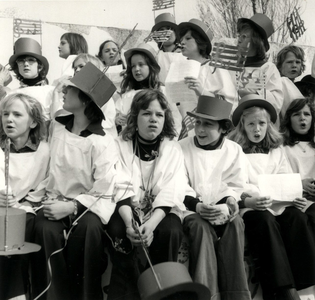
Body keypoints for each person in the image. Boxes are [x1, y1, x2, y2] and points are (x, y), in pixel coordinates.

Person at [28, 62, 118, 300]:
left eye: (71, 89)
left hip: (86, 206)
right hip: (53, 199)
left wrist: (73, 206)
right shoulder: (57, 127)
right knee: (44, 227)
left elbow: (105, 189)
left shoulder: (103, 141)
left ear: (86, 100)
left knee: (89, 229)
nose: (64, 92)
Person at [229, 94, 315, 300]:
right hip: (252, 204)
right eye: (251, 124)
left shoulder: (276, 149)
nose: (257, 129)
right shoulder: (234, 150)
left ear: (269, 125)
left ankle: (308, 283)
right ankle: (283, 288)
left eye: (262, 123)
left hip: (278, 202)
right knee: (264, 221)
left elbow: (285, 175)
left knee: (296, 217)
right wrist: (256, 196)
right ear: (243, 125)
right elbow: (237, 182)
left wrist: (294, 195)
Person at [106, 89, 186, 300]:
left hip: (162, 210)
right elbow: (119, 185)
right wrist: (129, 224)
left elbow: (172, 190)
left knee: (170, 230)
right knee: (119, 230)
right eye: (146, 113)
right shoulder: (120, 145)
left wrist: (150, 226)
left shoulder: (172, 148)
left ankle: (162, 292)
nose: (153, 119)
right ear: (135, 116)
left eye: (159, 115)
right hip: (127, 208)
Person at [179, 95, 251, 300]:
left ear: (223, 128)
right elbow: (178, 184)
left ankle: (236, 294)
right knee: (200, 227)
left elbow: (235, 184)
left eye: (208, 125)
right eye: (198, 123)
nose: (200, 130)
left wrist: (229, 201)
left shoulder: (233, 150)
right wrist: (198, 205)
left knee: (235, 224)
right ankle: (207, 294)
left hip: (220, 207)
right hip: (191, 208)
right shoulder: (182, 147)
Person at [0, 93, 49, 300]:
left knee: (18, 229)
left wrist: (24, 203)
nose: (9, 119)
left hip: (27, 207)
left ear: (33, 122)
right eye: (5, 114)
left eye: (17, 115)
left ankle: (17, 293)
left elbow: (44, 184)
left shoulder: (44, 151)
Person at [174, 18, 237, 138]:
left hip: (211, 132)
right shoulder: (179, 69)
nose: (182, 42)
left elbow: (230, 105)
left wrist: (203, 92)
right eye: (181, 39)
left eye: (188, 38)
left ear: (200, 42)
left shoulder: (215, 69)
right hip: (184, 133)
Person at [115, 43, 181, 135]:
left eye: (141, 64)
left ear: (151, 67)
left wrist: (168, 143)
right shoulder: (126, 96)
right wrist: (117, 118)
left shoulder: (164, 92)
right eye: (133, 66)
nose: (136, 69)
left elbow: (175, 122)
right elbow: (114, 117)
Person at [235, 14, 283, 125]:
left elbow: (276, 101)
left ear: (256, 41)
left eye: (244, 37)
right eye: (239, 36)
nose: (239, 40)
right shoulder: (232, 68)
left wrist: (252, 94)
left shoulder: (268, 68)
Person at [280, 97, 315, 230]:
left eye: (307, 114)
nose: (302, 118)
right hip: (295, 199)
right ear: (289, 119)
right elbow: (279, 175)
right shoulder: (282, 147)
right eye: (296, 114)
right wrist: (300, 183)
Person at [6, 38, 61, 122]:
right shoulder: (11, 95)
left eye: (31, 60)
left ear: (40, 66)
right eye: (21, 61)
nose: (26, 64)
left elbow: (57, 122)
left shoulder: (52, 91)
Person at [151, 13, 183, 84]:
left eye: (170, 29)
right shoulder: (155, 57)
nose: (168, 33)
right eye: (162, 30)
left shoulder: (185, 54)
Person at [276, 45, 305, 119]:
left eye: (298, 62)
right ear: (279, 66)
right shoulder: (282, 82)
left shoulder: (296, 86)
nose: (294, 65)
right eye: (289, 62)